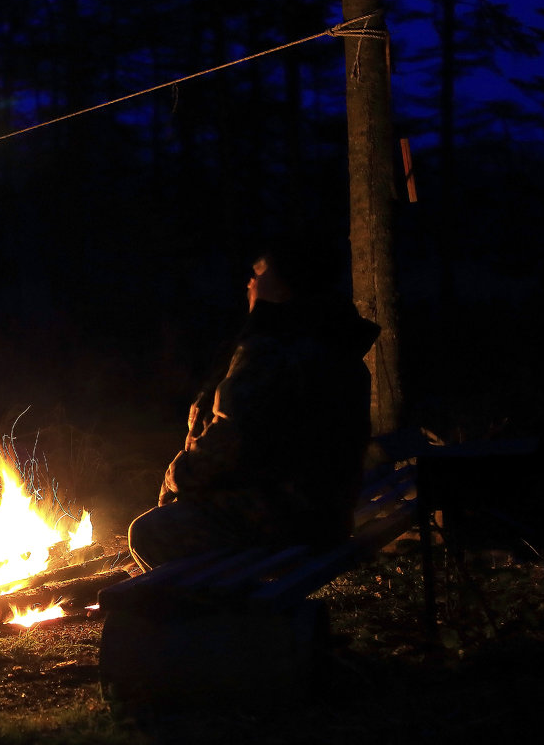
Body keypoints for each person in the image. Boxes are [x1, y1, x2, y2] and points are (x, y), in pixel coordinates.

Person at [127, 238, 381, 571]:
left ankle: (213, 620)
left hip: (288, 518)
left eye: (259, 272)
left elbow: (230, 440)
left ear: (283, 286)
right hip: (326, 515)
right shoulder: (333, 343)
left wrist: (176, 475)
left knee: (148, 532)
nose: (250, 282)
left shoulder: (274, 349)